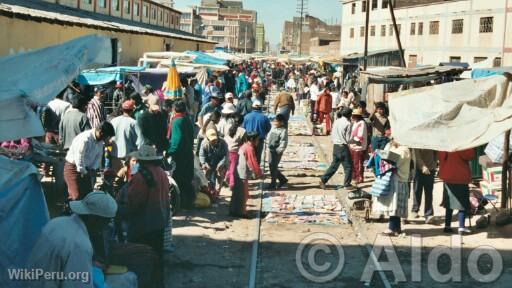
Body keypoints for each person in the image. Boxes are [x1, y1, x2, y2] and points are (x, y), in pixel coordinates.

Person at [26, 191, 118, 288]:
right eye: (106, 222)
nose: (106, 226)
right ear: (95, 220)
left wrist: (90, 264)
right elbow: (76, 285)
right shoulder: (80, 244)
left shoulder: (56, 222)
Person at [120, 145, 169, 286]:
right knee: (157, 254)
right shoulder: (161, 172)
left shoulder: (141, 176)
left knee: (142, 256)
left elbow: (134, 204)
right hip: (160, 220)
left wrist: (122, 210)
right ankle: (158, 281)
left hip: (144, 224)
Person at [64, 122, 115, 200]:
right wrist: (84, 171)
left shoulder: (100, 142)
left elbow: (98, 156)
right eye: (108, 137)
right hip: (73, 168)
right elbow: (79, 157)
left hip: (87, 169)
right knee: (76, 196)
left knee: (88, 196)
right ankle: (70, 210)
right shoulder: (85, 138)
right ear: (101, 133)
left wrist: (93, 169)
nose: (109, 139)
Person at [373, 137, 411, 236]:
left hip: (399, 180)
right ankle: (396, 228)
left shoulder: (404, 150)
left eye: (393, 138)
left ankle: (392, 228)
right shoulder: (392, 146)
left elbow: (396, 160)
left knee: (394, 206)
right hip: (393, 179)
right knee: (393, 205)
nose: (391, 140)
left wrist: (384, 155)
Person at [439, 149, 474, 235]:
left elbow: (440, 157)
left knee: (449, 203)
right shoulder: (461, 143)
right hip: (460, 177)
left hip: (447, 176)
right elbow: (469, 155)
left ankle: (447, 226)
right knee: (462, 203)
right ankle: (461, 227)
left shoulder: (445, 144)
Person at [167, 101, 195, 209]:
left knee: (179, 179)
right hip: (188, 153)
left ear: (174, 109)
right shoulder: (187, 120)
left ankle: (182, 204)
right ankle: (189, 202)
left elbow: (176, 141)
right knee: (187, 178)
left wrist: (169, 151)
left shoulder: (177, 121)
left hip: (180, 156)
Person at [230, 132, 263, 217]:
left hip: (237, 172)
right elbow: (253, 163)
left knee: (236, 194)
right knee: (242, 195)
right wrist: (259, 173)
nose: (258, 141)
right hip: (242, 174)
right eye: (257, 139)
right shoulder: (249, 148)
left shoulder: (244, 146)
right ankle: (242, 212)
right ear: (252, 139)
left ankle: (233, 211)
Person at [319, 108, 353, 189]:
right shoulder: (348, 123)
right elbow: (348, 139)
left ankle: (323, 180)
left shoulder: (337, 121)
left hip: (336, 146)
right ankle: (347, 184)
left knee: (334, 165)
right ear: (349, 115)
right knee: (348, 166)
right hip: (343, 146)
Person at [110, 100, 141, 173]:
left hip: (115, 156)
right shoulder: (134, 123)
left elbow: (109, 138)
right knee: (132, 180)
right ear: (132, 110)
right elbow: (140, 141)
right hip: (130, 158)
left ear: (122, 109)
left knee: (117, 180)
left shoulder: (113, 121)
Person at [411, 149, 437, 223]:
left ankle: (429, 214)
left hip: (430, 169)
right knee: (417, 190)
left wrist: (434, 164)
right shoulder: (418, 141)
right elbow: (417, 156)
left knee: (429, 192)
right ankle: (415, 210)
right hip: (418, 170)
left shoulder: (432, 141)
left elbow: (436, 153)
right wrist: (423, 166)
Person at [266, 114, 289, 190]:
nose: (275, 122)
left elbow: (283, 142)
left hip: (276, 151)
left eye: (276, 121)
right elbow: (269, 136)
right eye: (275, 121)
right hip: (271, 149)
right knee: (271, 165)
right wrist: (268, 144)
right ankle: (282, 179)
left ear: (281, 122)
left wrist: (279, 150)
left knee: (274, 167)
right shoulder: (273, 128)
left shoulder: (283, 131)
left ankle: (273, 183)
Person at [224, 114, 246, 189]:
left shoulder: (227, 127)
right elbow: (243, 142)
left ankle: (226, 178)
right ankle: (232, 184)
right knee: (233, 169)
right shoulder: (243, 131)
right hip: (234, 152)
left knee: (228, 167)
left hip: (225, 150)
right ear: (242, 122)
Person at [349, 108, 368, 185]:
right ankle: (354, 177)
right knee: (353, 163)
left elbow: (359, 137)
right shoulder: (355, 123)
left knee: (358, 163)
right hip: (353, 146)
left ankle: (359, 177)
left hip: (358, 147)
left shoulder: (362, 123)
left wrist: (351, 141)